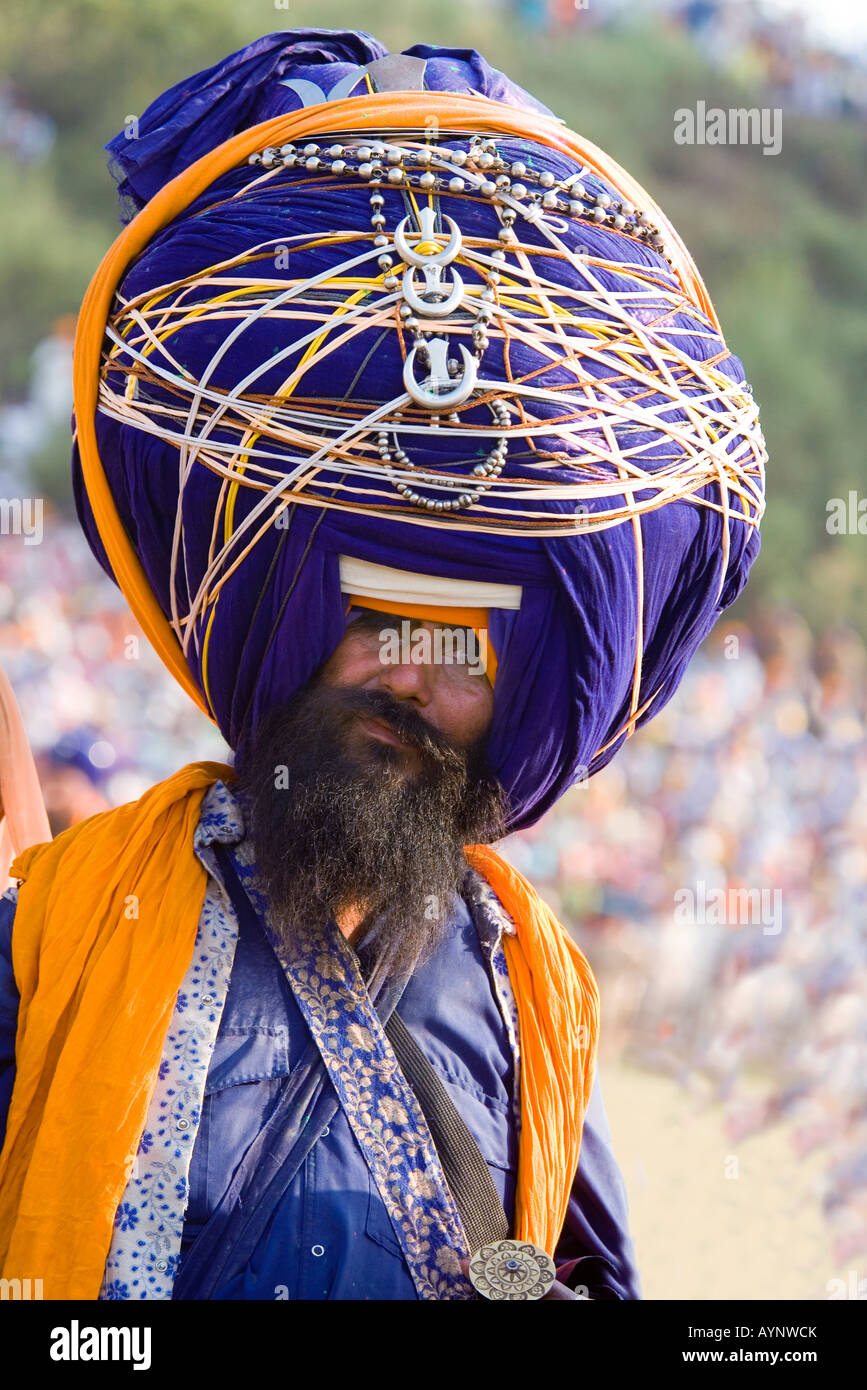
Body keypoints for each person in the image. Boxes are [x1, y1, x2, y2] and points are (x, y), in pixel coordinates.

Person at [0, 30, 766, 1301]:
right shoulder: (61, 928)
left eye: (458, 651)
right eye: (380, 623)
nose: (409, 678)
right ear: (296, 625)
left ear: (516, 697)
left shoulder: (530, 989)